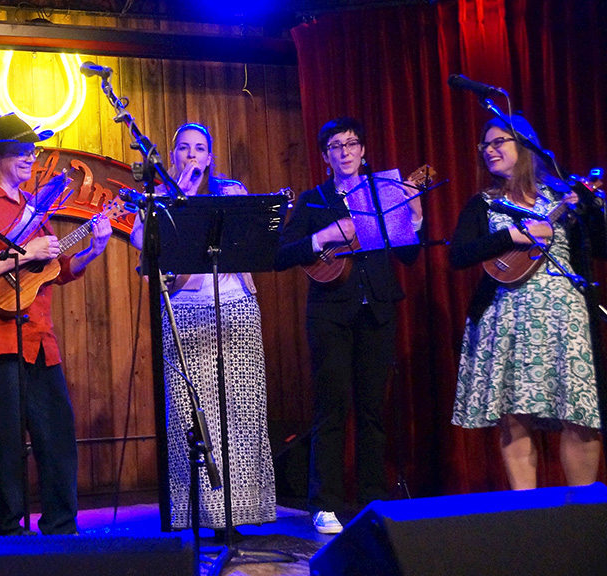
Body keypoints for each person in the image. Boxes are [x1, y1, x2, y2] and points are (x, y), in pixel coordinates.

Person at [0, 112, 112, 536]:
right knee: (5, 439)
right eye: (21, 151)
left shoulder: (30, 207)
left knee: (56, 432)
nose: (30, 157)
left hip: (38, 336)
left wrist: (93, 249)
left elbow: (52, 270)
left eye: (32, 150)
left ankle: (61, 526)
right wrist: (25, 252)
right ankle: (9, 530)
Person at [274, 117, 422, 534]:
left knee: (373, 409)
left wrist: (414, 215)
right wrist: (323, 237)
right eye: (336, 146)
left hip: (377, 310)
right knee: (332, 407)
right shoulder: (313, 200)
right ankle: (325, 503)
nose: (345, 151)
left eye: (352, 143)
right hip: (329, 314)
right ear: (326, 156)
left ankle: (372, 500)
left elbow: (408, 255)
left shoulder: (382, 194)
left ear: (363, 151)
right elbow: (281, 253)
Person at [129, 123, 276, 531]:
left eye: (199, 148)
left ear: (210, 157)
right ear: (173, 155)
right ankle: (194, 514)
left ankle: (239, 513)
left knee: (240, 413)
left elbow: (255, 236)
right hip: (184, 313)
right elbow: (142, 244)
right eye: (183, 148)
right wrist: (180, 194)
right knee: (191, 415)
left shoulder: (230, 192)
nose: (192, 154)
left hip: (236, 310)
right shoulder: (158, 200)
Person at [450, 116, 605, 489]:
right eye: (484, 145)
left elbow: (601, 247)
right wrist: (511, 236)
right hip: (507, 320)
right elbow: (458, 255)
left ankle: (585, 512)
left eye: (499, 142)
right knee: (514, 416)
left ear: (526, 146)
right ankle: (528, 511)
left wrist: (591, 208)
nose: (489, 150)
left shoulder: (562, 196)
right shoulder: (485, 204)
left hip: (565, 318)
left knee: (580, 412)